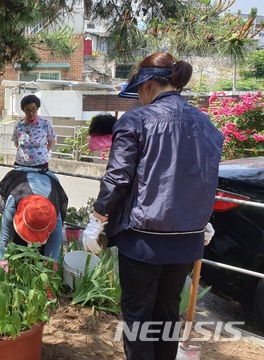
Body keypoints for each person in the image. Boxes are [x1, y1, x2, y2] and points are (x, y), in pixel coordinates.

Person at [81, 52, 224, 360]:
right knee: (168, 313)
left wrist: (97, 220)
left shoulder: (137, 120)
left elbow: (118, 178)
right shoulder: (206, 124)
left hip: (143, 239)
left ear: (146, 86)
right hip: (186, 240)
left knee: (138, 317)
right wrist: (203, 218)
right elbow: (205, 175)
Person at [0, 167, 68, 262]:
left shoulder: (54, 215)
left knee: (44, 252)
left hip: (47, 183)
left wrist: (50, 267)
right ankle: (20, 259)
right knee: (17, 242)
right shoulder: (12, 204)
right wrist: (3, 263)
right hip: (21, 181)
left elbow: (53, 249)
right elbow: (5, 239)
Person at [11, 95, 56, 169]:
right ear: (23, 110)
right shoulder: (19, 125)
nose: (31, 113)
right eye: (27, 110)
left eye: (33, 109)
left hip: (40, 164)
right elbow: (16, 143)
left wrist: (42, 153)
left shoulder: (45, 123)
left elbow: (52, 142)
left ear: (37, 108)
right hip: (21, 163)